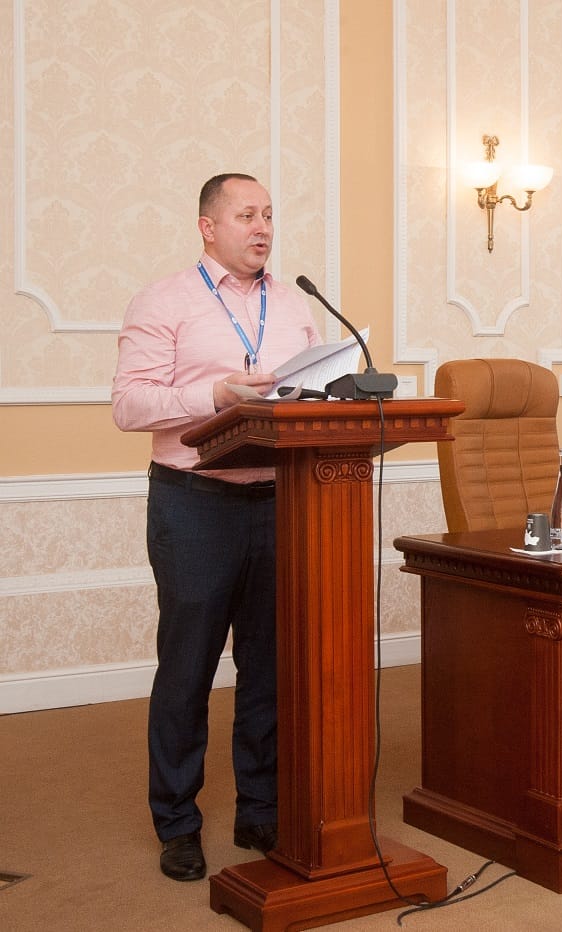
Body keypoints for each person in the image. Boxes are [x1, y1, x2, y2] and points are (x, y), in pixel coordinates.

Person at [111, 173, 321, 882]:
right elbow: (129, 405)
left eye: (269, 215)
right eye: (246, 215)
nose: (262, 228)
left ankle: (259, 809)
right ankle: (177, 822)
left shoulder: (293, 304)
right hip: (194, 504)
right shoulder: (163, 300)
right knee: (188, 668)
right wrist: (215, 394)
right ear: (208, 226)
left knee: (268, 668)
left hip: (281, 501)